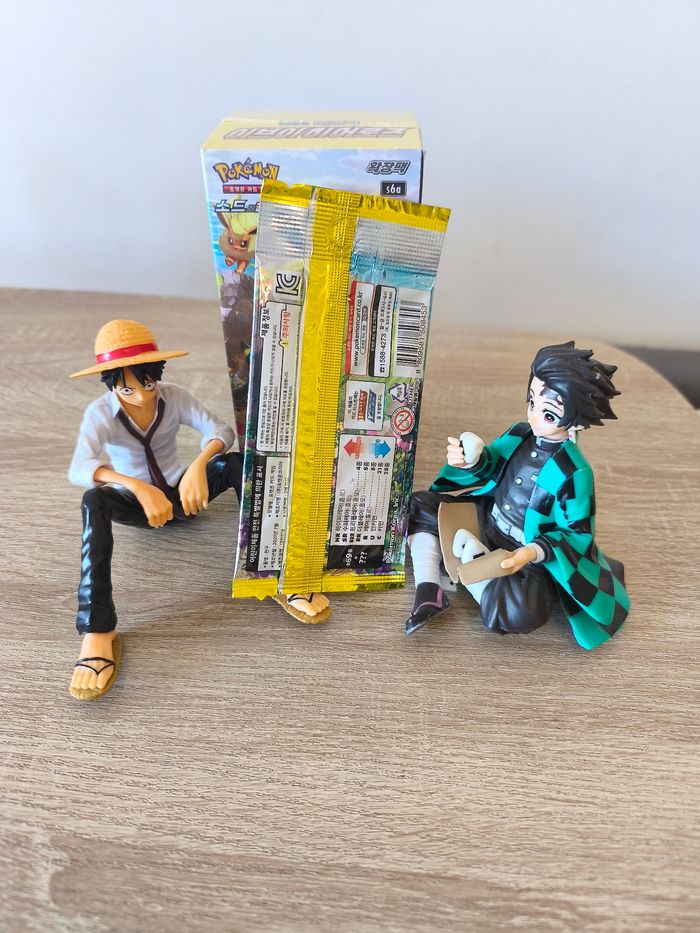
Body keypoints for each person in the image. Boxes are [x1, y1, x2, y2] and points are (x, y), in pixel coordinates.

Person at [68, 319, 329, 700]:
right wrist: (137, 487)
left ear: (157, 374)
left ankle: (276, 571)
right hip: (139, 506)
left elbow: (220, 430)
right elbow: (80, 467)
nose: (141, 396)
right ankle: (98, 629)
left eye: (148, 384)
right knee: (93, 500)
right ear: (110, 384)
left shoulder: (174, 397)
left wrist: (198, 467)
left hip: (185, 495)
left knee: (237, 463)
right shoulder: (100, 413)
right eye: (127, 388)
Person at [405, 341, 630, 650]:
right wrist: (470, 460)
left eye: (548, 414)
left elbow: (578, 535)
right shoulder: (519, 433)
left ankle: (473, 570)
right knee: (419, 506)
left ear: (577, 422)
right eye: (532, 402)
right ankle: (430, 587)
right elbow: (491, 467)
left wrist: (531, 553)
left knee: (524, 610)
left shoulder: (574, 472)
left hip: (525, 553)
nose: (534, 417)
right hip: (486, 520)